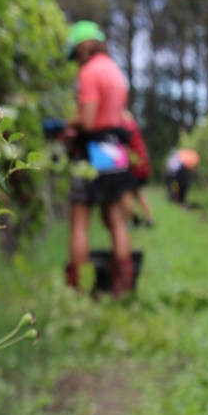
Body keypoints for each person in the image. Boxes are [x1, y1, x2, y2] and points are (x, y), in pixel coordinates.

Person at [63, 21, 135, 298]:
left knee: (79, 221)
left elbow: (89, 120)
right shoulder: (115, 71)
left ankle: (77, 289)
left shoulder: (90, 72)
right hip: (114, 149)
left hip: (91, 150)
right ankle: (122, 285)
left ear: (83, 46)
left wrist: (66, 124)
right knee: (115, 218)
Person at [121, 110, 154, 227]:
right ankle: (149, 218)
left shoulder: (125, 127)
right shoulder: (134, 126)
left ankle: (130, 220)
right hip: (141, 165)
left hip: (133, 166)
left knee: (126, 193)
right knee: (137, 193)